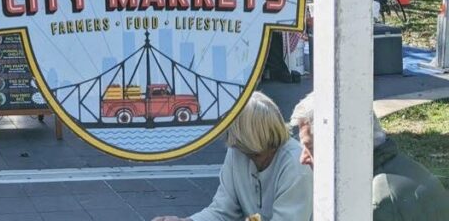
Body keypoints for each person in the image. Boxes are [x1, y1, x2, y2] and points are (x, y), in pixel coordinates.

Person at [152, 92, 312, 221]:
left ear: (246, 136)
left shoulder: (296, 165)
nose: (228, 138)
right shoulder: (238, 152)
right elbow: (223, 211)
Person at [290, 92, 449, 219]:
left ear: (343, 145)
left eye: (310, 147)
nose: (302, 158)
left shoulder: (375, 204)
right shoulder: (401, 168)